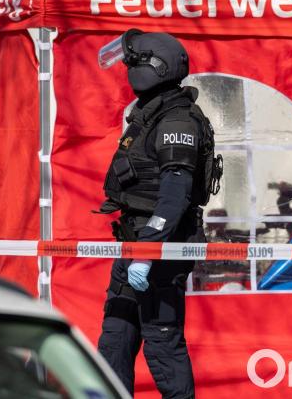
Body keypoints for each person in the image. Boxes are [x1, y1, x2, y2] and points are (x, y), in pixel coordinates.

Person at [94, 29, 222, 398]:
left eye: (131, 63)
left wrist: (149, 253)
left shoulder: (176, 121)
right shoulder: (151, 114)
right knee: (115, 340)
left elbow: (173, 196)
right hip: (136, 246)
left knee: (162, 344)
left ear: (151, 68)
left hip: (161, 250)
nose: (126, 70)